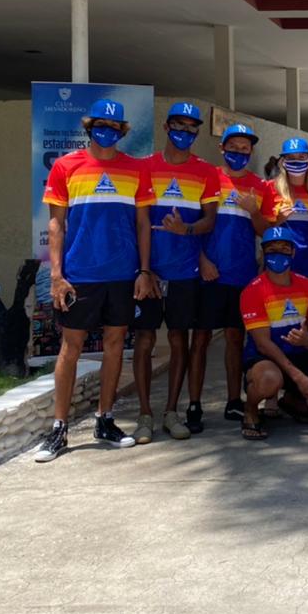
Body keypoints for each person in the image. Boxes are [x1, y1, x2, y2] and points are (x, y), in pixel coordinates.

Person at [35, 98, 156, 462]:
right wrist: (56, 275)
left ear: (123, 132)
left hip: (122, 273)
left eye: (115, 127)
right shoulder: (65, 166)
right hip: (80, 274)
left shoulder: (136, 169)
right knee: (70, 349)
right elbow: (56, 223)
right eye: (101, 125)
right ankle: (59, 429)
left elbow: (143, 224)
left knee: (116, 344)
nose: (108, 131)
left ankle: (105, 419)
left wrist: (145, 271)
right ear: (89, 128)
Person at [130, 102, 221, 444]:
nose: (185, 134)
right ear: (166, 128)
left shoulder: (206, 171)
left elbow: (210, 220)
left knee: (178, 339)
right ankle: (144, 415)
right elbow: (137, 222)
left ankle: (171, 412)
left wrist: (186, 230)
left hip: (185, 272)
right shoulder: (144, 167)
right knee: (144, 339)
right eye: (179, 127)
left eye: (191, 129)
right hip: (148, 272)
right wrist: (144, 269)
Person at [196, 123, 272, 429]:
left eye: (245, 149)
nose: (239, 153)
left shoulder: (260, 186)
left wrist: (254, 211)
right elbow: (195, 223)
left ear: (251, 151)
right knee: (199, 339)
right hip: (208, 272)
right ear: (222, 148)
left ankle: (232, 402)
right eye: (234, 147)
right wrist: (202, 259)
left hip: (241, 275)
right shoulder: (208, 177)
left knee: (234, 339)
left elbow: (266, 233)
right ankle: (193, 405)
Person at [238, 226, 308, 441]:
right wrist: (299, 377)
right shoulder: (253, 290)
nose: (278, 254)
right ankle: (250, 410)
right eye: (272, 249)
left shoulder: (307, 286)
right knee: (269, 379)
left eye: (284, 248)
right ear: (263, 253)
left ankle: (293, 401)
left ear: (293, 253)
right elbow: (262, 344)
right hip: (265, 360)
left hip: (299, 354)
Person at [265, 137, 308, 282]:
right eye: (291, 157)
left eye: (301, 157)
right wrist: (278, 220)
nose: (296, 161)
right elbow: (262, 230)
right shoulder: (270, 188)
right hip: (280, 263)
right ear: (283, 161)